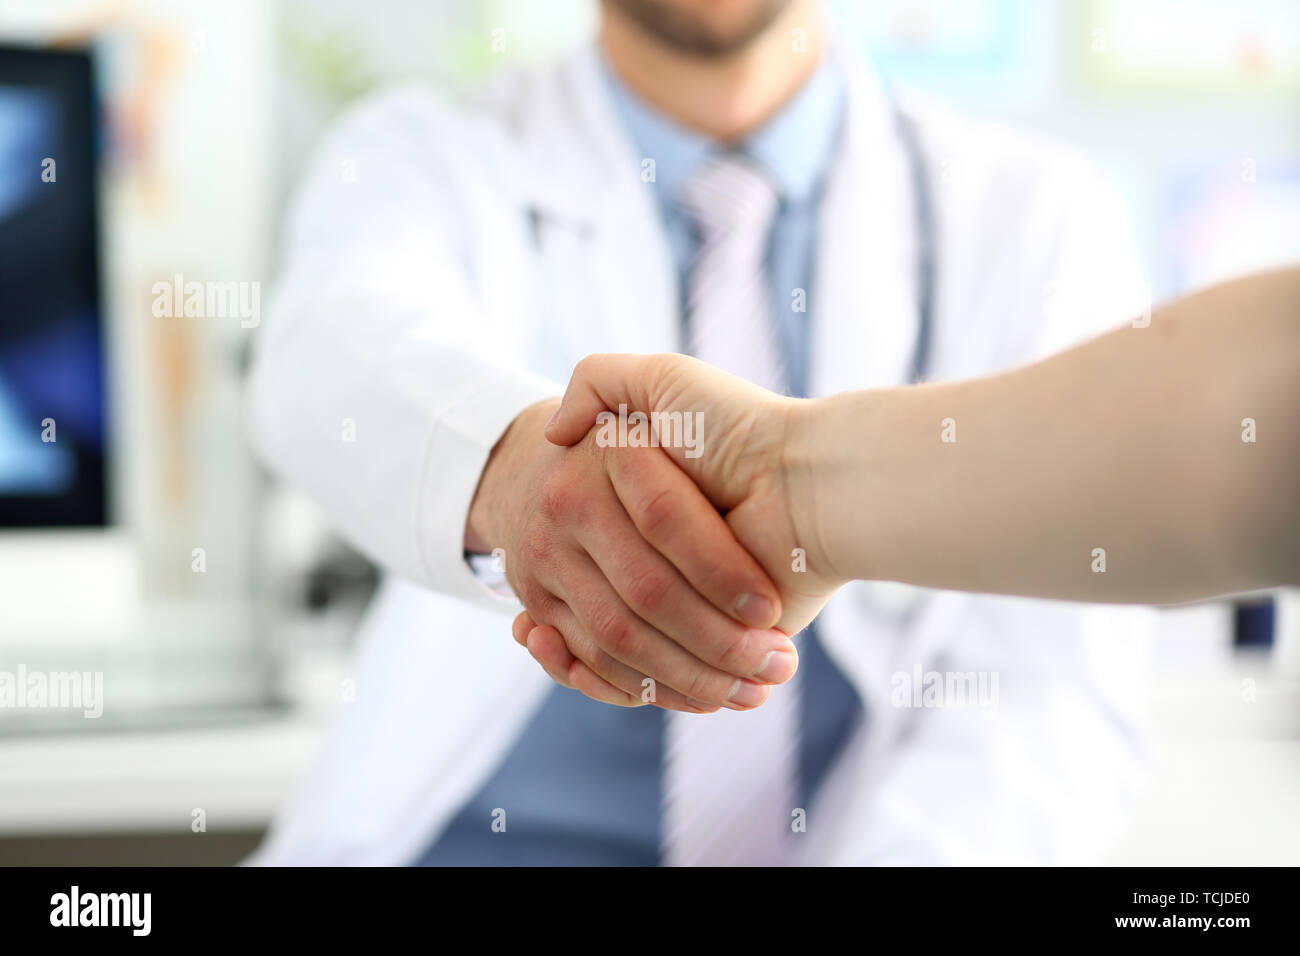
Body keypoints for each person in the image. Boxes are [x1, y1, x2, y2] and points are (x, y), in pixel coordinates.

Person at [247, 0, 1154, 865]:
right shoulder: (426, 155)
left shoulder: (1035, 221)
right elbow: (325, 350)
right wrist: (506, 466)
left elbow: (1049, 697)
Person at [519, 267, 1300, 694]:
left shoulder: (1031, 201)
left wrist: (791, 486)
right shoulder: (428, 147)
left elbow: (1250, 434)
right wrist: (791, 489)